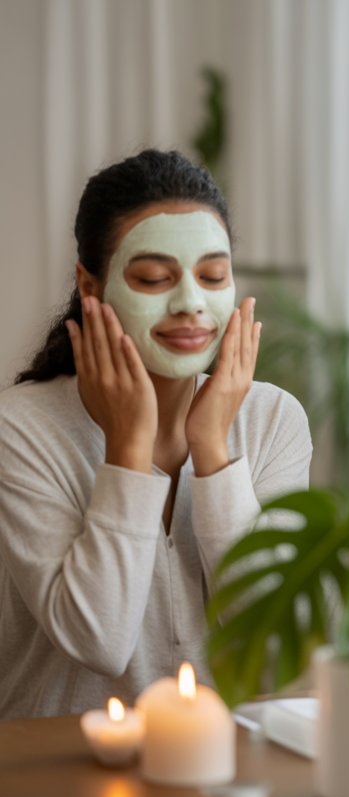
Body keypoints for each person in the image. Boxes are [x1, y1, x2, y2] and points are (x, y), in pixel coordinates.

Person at [0, 150, 312, 719]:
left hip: (221, 764)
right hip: (53, 772)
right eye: (153, 278)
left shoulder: (274, 422)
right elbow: (100, 641)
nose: (191, 303)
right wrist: (127, 450)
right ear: (89, 288)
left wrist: (214, 450)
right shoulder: (20, 430)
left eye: (213, 276)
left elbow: (268, 647)